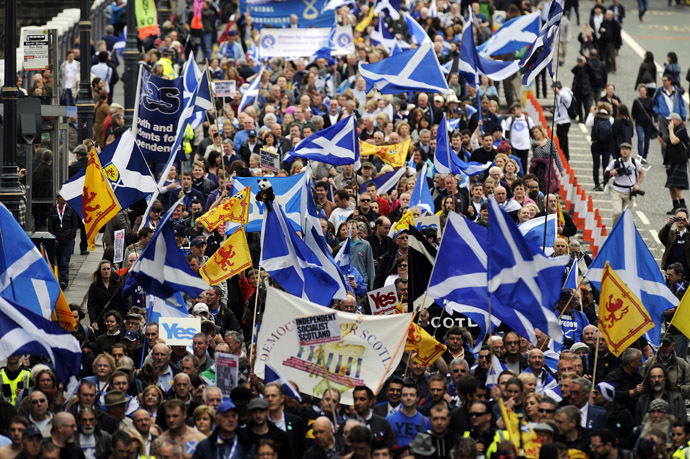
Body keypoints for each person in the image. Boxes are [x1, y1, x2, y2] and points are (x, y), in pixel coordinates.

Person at [603, 143, 644, 225]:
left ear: (630, 151)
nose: (624, 151)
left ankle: (622, 232)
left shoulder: (634, 162)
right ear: (620, 151)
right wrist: (612, 172)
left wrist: (637, 184)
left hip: (629, 192)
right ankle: (614, 231)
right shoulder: (615, 162)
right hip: (617, 191)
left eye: (626, 149)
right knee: (617, 213)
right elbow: (606, 172)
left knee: (625, 215)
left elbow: (641, 173)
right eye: (623, 149)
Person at [659, 113, 690, 215]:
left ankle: (683, 206)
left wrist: (671, 129)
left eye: (671, 120)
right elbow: (669, 146)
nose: (669, 122)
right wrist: (662, 143)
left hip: (680, 161)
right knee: (671, 186)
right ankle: (675, 206)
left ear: (677, 120)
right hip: (672, 162)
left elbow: (674, 141)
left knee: (676, 185)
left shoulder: (682, 130)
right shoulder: (674, 131)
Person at [586, 102, 615, 191]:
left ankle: (596, 184)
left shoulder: (595, 118)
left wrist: (591, 112)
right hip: (607, 144)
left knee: (596, 165)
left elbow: (587, 124)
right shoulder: (611, 119)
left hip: (596, 143)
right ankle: (605, 183)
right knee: (606, 165)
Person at [631, 84, 656, 163]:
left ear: (646, 91)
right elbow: (633, 113)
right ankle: (640, 156)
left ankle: (644, 157)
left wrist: (656, 121)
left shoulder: (650, 101)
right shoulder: (636, 101)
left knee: (647, 140)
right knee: (640, 139)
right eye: (641, 91)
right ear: (639, 92)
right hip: (639, 123)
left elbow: (653, 112)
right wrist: (631, 121)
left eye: (643, 91)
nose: (642, 92)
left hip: (648, 124)